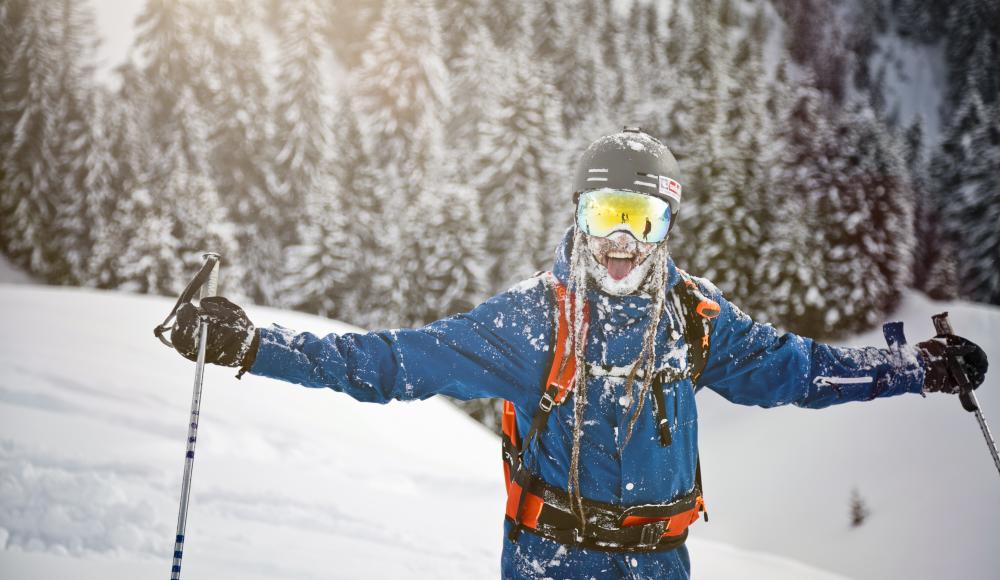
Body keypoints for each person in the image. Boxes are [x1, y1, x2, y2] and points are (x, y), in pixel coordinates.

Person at [167, 128, 988, 579]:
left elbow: (799, 370)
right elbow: (388, 362)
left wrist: (911, 369)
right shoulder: (534, 322)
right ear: (581, 218)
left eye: (645, 220)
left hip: (662, 571)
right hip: (554, 567)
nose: (623, 241)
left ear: (668, 228)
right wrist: (252, 346)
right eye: (606, 216)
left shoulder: (693, 318)